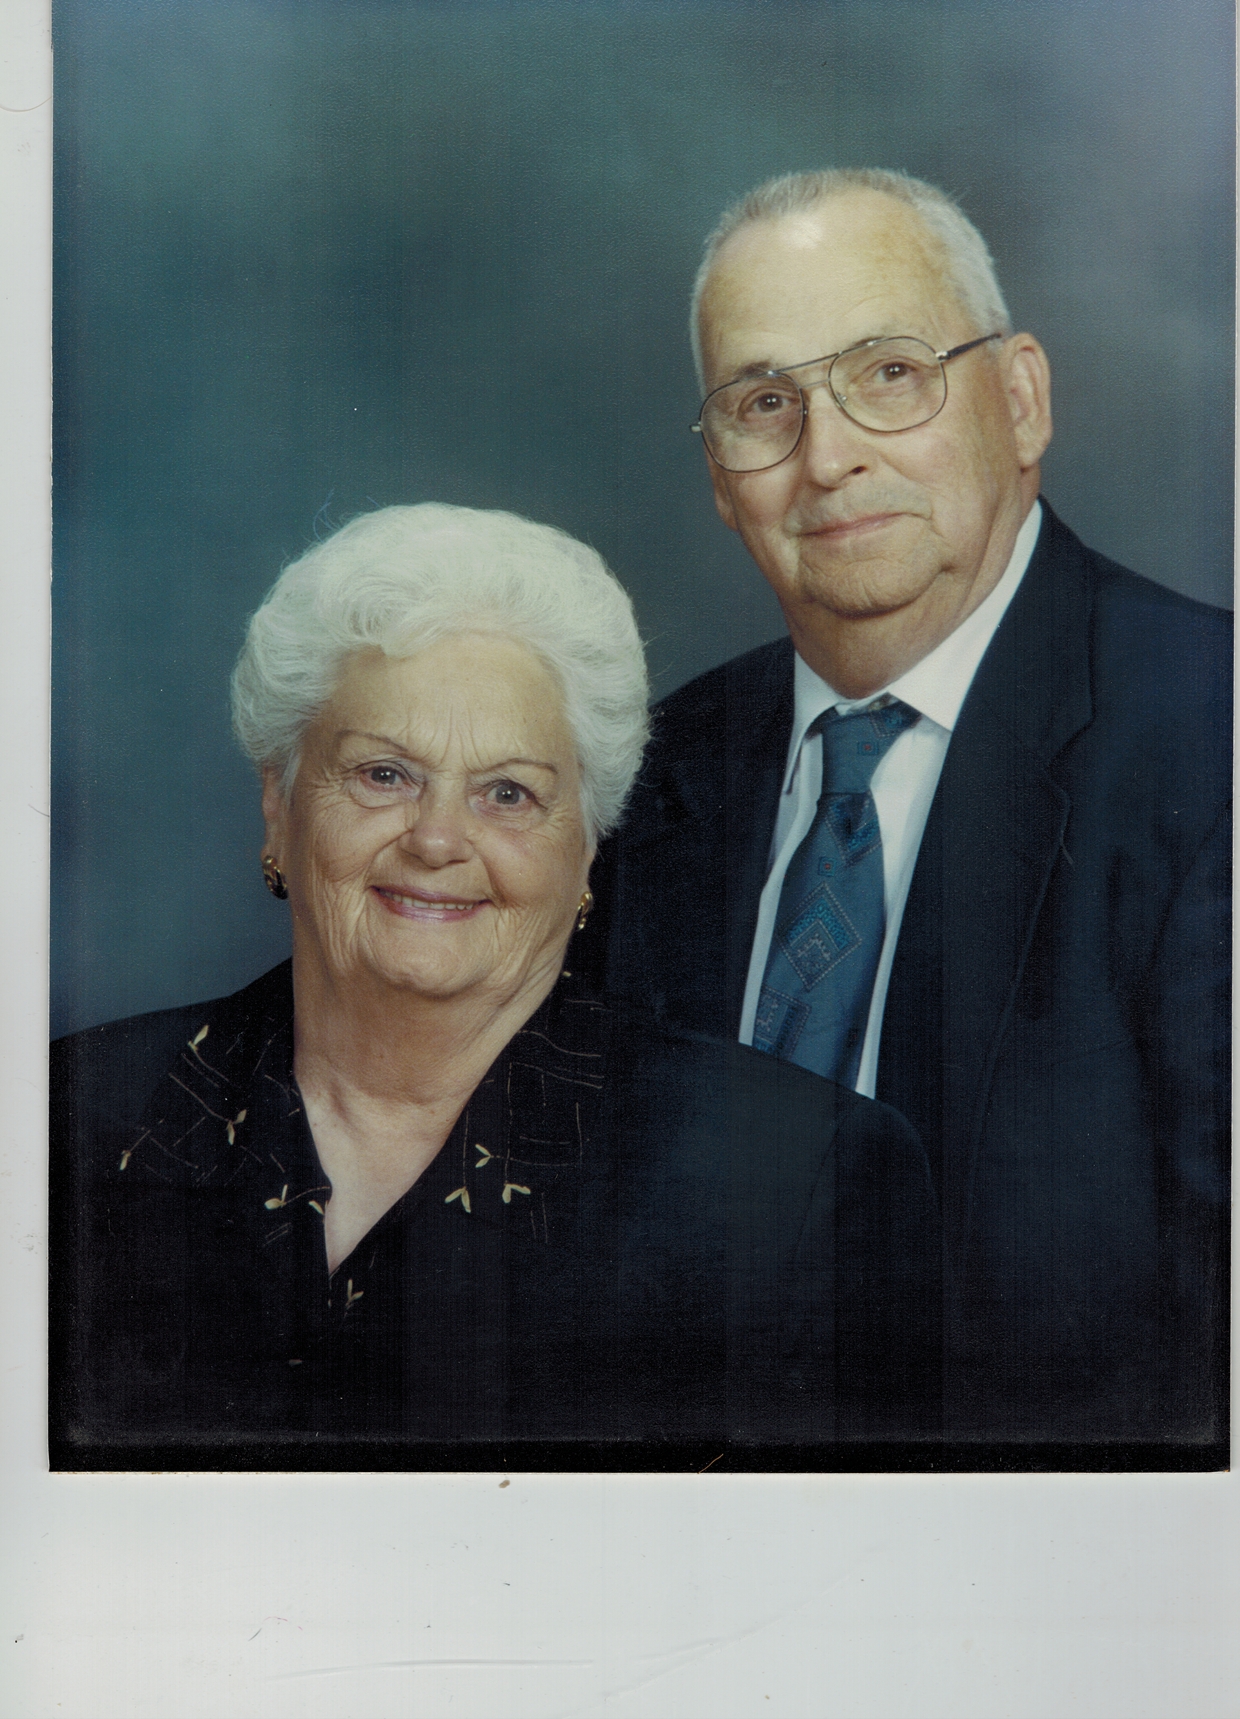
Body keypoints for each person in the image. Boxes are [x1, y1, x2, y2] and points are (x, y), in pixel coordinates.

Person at [49, 502, 940, 1466]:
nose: (438, 839)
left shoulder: (798, 1183)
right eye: (384, 774)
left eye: (507, 793)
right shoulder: (61, 1117)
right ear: (279, 803)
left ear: (587, 845)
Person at [590, 169, 1231, 1448]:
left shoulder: (1211, 742)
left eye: (889, 373)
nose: (828, 458)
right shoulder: (645, 778)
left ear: (1021, 399)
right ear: (719, 476)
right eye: (764, 403)